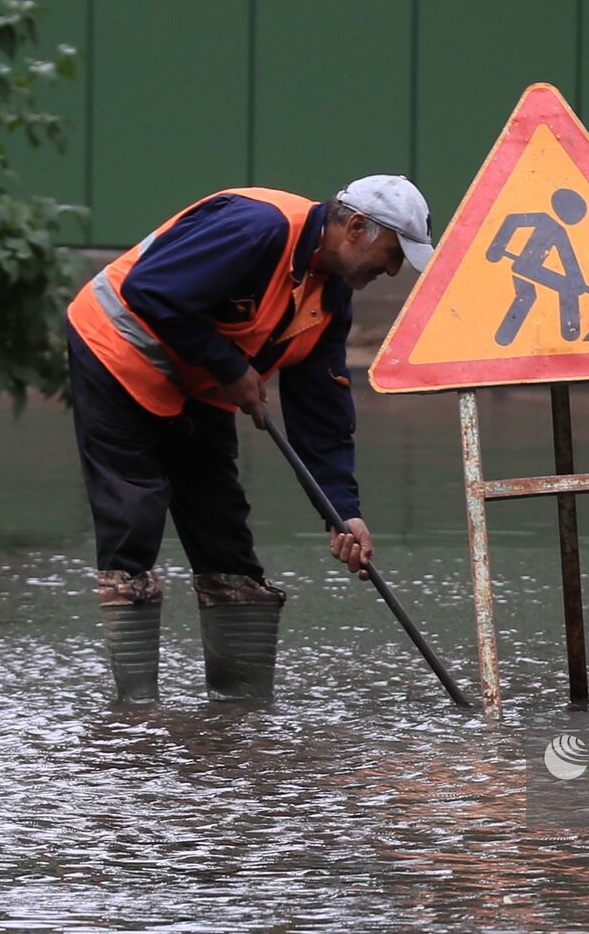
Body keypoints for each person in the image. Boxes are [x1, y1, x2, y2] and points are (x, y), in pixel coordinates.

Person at [66, 175, 434, 703]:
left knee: (224, 532)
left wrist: (341, 510)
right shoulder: (257, 227)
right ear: (356, 227)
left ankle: (241, 710)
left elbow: (321, 413)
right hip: (117, 352)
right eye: (393, 253)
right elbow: (150, 290)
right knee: (134, 513)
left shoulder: (330, 301)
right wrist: (229, 367)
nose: (394, 270)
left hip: (201, 383)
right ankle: (136, 713)